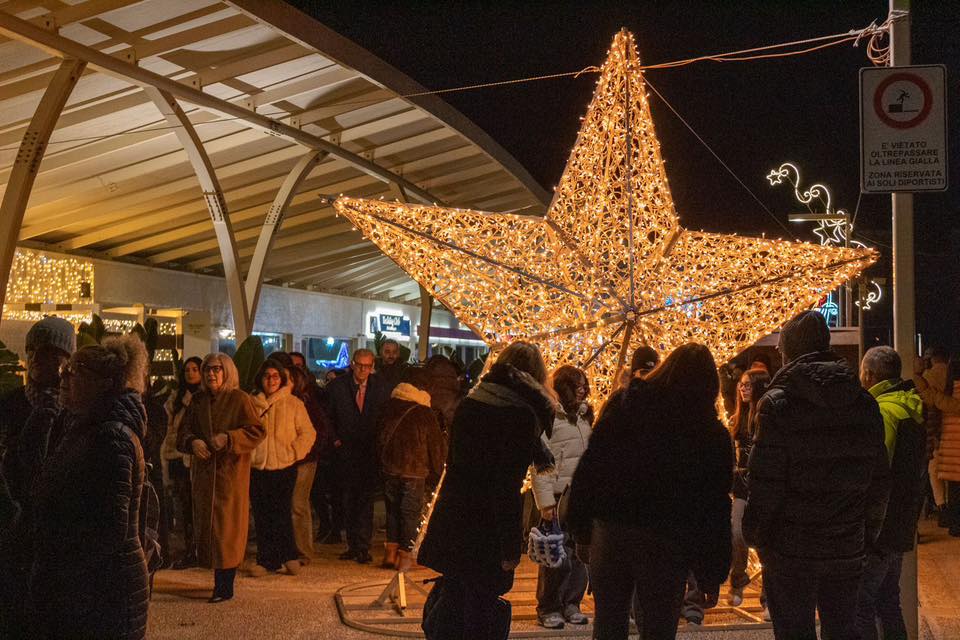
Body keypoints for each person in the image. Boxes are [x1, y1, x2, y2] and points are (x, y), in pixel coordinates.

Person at [568, 343, 733, 640]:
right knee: (659, 626)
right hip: (667, 542)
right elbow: (714, 509)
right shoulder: (711, 435)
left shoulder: (625, 404)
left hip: (613, 531)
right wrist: (712, 571)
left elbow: (591, 468)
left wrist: (581, 528)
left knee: (608, 622)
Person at [743, 310, 889, 640]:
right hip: (845, 545)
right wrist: (865, 535)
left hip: (790, 549)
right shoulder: (864, 403)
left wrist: (758, 537)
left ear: (790, 351)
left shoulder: (777, 405)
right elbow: (878, 481)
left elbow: (766, 484)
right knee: (843, 629)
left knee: (794, 631)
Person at [418, 341, 556, 639]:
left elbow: (453, 465)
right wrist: (509, 548)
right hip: (486, 529)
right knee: (480, 610)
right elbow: (504, 487)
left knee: (454, 598)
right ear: (534, 376)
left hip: (454, 519)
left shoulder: (471, 403)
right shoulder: (520, 415)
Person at [30, 335, 149, 640]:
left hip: (105, 587)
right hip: (87, 583)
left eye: (76, 371)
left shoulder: (113, 437)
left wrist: (60, 556)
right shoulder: (81, 426)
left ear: (102, 384)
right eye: (66, 370)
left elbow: (110, 527)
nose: (65, 378)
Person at [0, 316, 74, 637]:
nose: (48, 363)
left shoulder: (75, 411)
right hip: (14, 525)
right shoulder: (10, 405)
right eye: (40, 354)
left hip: (58, 528)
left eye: (58, 356)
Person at [177, 353, 264, 602]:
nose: (211, 374)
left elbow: (257, 430)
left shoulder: (239, 399)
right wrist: (193, 442)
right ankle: (218, 580)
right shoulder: (197, 401)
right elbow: (184, 432)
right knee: (210, 529)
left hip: (230, 475)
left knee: (227, 530)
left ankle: (224, 586)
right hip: (204, 476)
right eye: (207, 370)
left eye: (217, 369)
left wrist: (229, 438)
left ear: (227, 372)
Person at [856, 346, 926, 640]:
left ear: (869, 375)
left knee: (861, 605)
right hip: (899, 523)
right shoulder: (909, 405)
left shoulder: (882, 411)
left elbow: (875, 471)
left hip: (880, 528)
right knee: (888, 601)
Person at [532, 365, 593, 630]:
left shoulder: (584, 418)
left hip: (581, 497)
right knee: (555, 555)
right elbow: (541, 464)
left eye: (584, 384)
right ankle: (548, 605)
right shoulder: (550, 419)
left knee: (579, 555)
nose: (582, 389)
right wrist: (545, 502)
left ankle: (572, 603)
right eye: (577, 385)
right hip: (557, 496)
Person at [248, 359, 316, 577]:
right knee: (261, 514)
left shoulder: (293, 404)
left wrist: (293, 453)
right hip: (258, 467)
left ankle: (288, 555)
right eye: (267, 376)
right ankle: (267, 559)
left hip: (284, 466)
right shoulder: (251, 403)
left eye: (275, 376)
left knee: (282, 512)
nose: (271, 380)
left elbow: (308, 433)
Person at [325, 348, 389, 564]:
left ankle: (363, 546)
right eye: (360, 365)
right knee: (348, 499)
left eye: (367, 366)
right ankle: (353, 545)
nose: (363, 370)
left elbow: (384, 416)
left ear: (372, 367)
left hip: (369, 451)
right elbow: (328, 417)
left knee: (365, 500)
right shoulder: (337, 387)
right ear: (352, 364)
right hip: (345, 451)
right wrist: (335, 440)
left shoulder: (380, 387)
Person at [377, 382, 444, 570]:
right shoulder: (424, 412)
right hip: (414, 470)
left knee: (392, 510)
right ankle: (405, 556)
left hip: (389, 468)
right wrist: (439, 471)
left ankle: (390, 553)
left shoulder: (388, 408)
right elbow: (436, 446)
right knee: (410, 513)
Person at [727, 368, 770, 609]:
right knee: (737, 533)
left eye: (748, 385)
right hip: (742, 486)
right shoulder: (737, 418)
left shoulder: (766, 417)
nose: (743, 389)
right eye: (741, 385)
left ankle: (767, 595)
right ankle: (738, 578)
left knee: (764, 541)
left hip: (762, 485)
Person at [161, 356, 203, 569]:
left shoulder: (205, 397)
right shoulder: (177, 398)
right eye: (188, 370)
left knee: (198, 507)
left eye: (195, 369)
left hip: (197, 457)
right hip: (178, 456)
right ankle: (189, 549)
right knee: (184, 506)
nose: (191, 373)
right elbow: (170, 427)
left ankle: (201, 550)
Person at [913, 355, 960, 537]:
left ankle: (948, 516)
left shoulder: (929, 384)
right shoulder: (926, 384)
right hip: (942, 441)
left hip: (945, 442)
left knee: (947, 482)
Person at [917, 347, 950, 520]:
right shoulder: (950, 373)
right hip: (949, 429)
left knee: (934, 469)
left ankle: (941, 505)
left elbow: (930, 402)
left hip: (935, 429)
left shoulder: (927, 378)